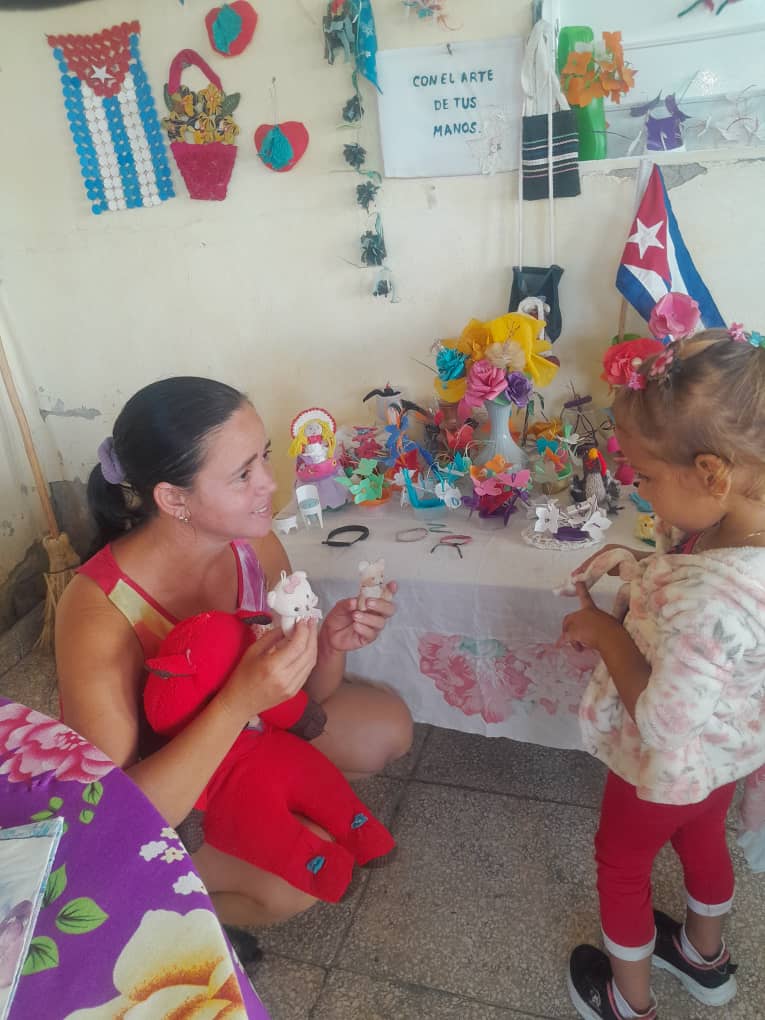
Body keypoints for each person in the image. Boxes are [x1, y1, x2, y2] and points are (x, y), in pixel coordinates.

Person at [55, 377, 413, 946]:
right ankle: (162, 909)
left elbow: (306, 702)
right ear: (174, 500)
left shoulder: (254, 546)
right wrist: (240, 700)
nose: (271, 485)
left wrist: (327, 647)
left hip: (252, 738)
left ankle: (266, 805)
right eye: (243, 474)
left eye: (265, 457)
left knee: (386, 729)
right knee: (293, 882)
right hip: (172, 796)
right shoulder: (100, 610)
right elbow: (115, 814)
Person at [559, 328, 765, 1020]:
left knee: (621, 861)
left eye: (644, 477)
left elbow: (661, 718)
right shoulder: (742, 535)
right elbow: (698, 574)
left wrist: (603, 630)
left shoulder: (705, 596)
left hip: (664, 763)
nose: (637, 490)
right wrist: (642, 566)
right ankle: (703, 959)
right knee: (703, 835)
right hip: (726, 754)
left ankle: (627, 1000)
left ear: (711, 473)